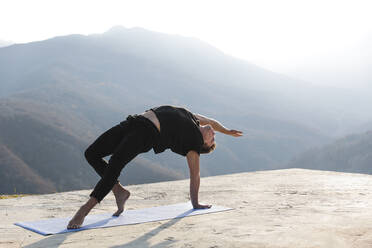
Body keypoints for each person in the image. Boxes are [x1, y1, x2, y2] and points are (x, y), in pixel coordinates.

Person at [67, 105, 243, 229]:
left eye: (212, 139)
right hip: (133, 123)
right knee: (91, 153)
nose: (213, 134)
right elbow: (213, 121)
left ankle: (84, 210)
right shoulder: (193, 119)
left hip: (147, 134)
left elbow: (195, 175)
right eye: (214, 135)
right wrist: (226, 131)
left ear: (202, 145)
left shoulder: (193, 143)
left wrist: (195, 202)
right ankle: (119, 190)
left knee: (115, 163)